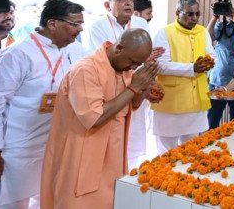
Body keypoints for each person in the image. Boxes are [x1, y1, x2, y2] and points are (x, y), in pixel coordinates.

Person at [0, 0, 86, 209]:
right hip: (13, 153)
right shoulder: (17, 54)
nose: (80, 29)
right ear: (52, 24)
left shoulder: (71, 51)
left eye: (81, 24)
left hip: (49, 147)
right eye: (74, 24)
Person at [40, 29, 163, 209]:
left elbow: (132, 104)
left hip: (113, 157)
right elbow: (94, 118)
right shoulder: (85, 70)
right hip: (82, 157)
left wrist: (144, 87)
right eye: (132, 62)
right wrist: (134, 87)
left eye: (138, 64)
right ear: (119, 48)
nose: (133, 68)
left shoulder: (123, 67)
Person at [82, 0, 154, 168]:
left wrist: (148, 84)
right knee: (109, 146)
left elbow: (144, 58)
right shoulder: (97, 26)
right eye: (122, 0)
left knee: (132, 147)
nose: (128, 3)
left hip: (135, 90)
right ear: (108, 5)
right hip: (111, 90)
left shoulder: (140, 23)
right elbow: (105, 60)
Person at [150, 0, 215, 153]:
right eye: (189, 14)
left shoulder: (202, 31)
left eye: (197, 14)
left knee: (191, 150)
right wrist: (192, 68)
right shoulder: (165, 32)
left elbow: (212, 54)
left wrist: (210, 62)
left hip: (196, 101)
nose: (194, 18)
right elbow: (161, 65)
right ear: (178, 13)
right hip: (171, 101)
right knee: (167, 151)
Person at [206, 0, 234, 129]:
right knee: (211, 120)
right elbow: (208, 38)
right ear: (232, 9)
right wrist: (215, 17)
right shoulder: (222, 26)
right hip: (217, 81)